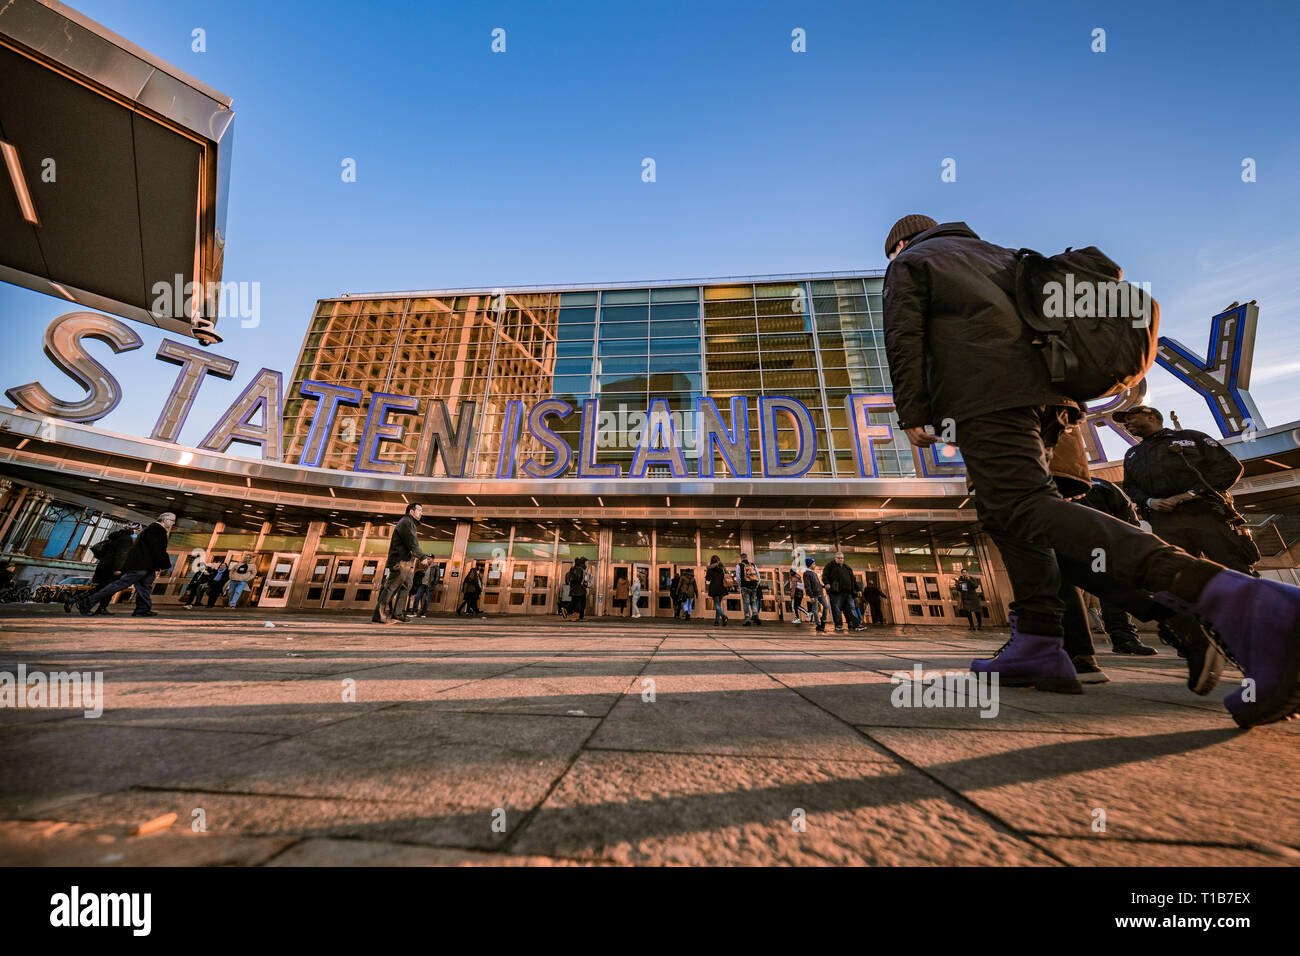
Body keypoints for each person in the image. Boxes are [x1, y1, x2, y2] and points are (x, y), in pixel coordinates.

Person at [882, 214, 1300, 725]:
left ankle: (1241, 600)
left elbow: (904, 336)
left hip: (985, 395)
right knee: (1010, 514)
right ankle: (1039, 641)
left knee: (1022, 507)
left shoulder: (914, 259)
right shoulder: (1005, 256)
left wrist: (914, 411)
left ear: (901, 241)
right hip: (1051, 401)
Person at [1117, 404, 1258, 575]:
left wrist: (1190, 494)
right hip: (1165, 524)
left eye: (1130, 418)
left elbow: (1229, 467)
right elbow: (1130, 487)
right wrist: (1150, 502)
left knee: (1235, 571)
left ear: (1150, 417)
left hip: (1206, 515)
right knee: (1180, 578)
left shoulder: (1191, 437)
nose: (1126, 424)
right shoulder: (1132, 454)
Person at [75, 513, 176, 617]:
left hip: (145, 566)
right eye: (172, 520)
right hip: (142, 565)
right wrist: (165, 564)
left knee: (145, 587)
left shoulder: (151, 529)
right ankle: (86, 602)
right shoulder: (156, 530)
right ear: (164, 519)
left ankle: (143, 609)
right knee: (119, 585)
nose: (173, 523)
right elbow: (157, 549)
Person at [372, 503, 429, 624]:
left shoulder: (411, 523)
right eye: (420, 510)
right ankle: (379, 614)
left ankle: (397, 613)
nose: (422, 513)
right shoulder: (406, 522)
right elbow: (412, 542)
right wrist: (422, 556)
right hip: (399, 561)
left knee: (406, 586)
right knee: (391, 587)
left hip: (407, 562)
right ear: (412, 511)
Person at [72, 525, 134, 616]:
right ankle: (81, 602)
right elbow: (121, 555)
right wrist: (118, 568)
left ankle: (101, 608)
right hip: (112, 568)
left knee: (106, 588)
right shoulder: (126, 539)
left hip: (103, 565)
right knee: (106, 588)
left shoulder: (114, 537)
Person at [823, 552, 865, 631]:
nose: (840, 559)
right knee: (837, 609)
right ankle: (838, 625)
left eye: (842, 558)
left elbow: (853, 580)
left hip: (848, 592)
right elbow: (824, 576)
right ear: (835, 558)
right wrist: (827, 583)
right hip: (836, 592)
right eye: (839, 558)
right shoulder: (830, 566)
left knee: (852, 608)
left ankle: (856, 624)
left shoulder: (847, 568)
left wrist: (858, 589)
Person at [736, 553, 761, 625]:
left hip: (745, 587)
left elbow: (738, 578)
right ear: (747, 557)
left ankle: (747, 619)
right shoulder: (753, 565)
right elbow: (758, 577)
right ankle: (756, 615)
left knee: (746, 603)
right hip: (753, 586)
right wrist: (756, 585)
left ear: (741, 558)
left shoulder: (739, 565)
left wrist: (740, 585)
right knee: (753, 601)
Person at [705, 554, 729, 626]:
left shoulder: (710, 569)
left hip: (714, 588)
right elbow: (726, 575)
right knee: (718, 604)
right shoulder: (722, 568)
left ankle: (723, 616)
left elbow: (708, 578)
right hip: (722, 588)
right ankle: (716, 621)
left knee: (717, 605)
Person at [564, 557, 588, 621]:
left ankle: (579, 616)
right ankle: (574, 615)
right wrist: (583, 582)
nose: (586, 564)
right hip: (578, 590)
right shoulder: (578, 569)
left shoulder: (575, 569)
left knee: (578, 603)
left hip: (577, 590)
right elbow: (578, 578)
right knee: (578, 604)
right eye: (585, 562)